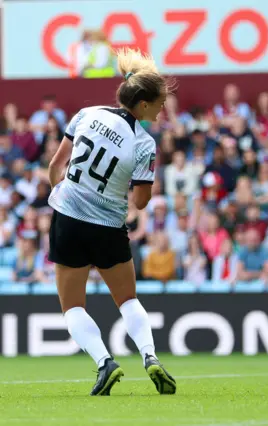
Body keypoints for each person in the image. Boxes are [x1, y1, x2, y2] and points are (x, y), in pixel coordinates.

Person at [46, 48, 176, 396]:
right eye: (160, 103)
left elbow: (55, 166)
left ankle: (105, 363)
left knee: (72, 306)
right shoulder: (144, 143)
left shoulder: (86, 114)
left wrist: (66, 194)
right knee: (128, 300)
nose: (163, 108)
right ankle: (150, 356)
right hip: (108, 226)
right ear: (144, 105)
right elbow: (140, 201)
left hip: (68, 218)